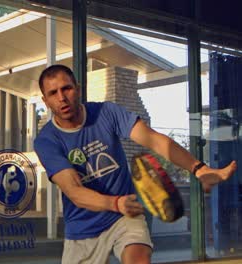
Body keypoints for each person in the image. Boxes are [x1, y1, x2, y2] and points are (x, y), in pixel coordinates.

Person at [33, 64, 237, 264]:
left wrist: (199, 168)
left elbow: (154, 140)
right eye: (53, 93)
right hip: (82, 229)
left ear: (77, 88)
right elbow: (74, 192)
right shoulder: (47, 141)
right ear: (46, 100)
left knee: (138, 258)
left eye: (66, 88)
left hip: (124, 216)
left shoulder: (106, 112)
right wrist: (114, 203)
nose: (61, 97)